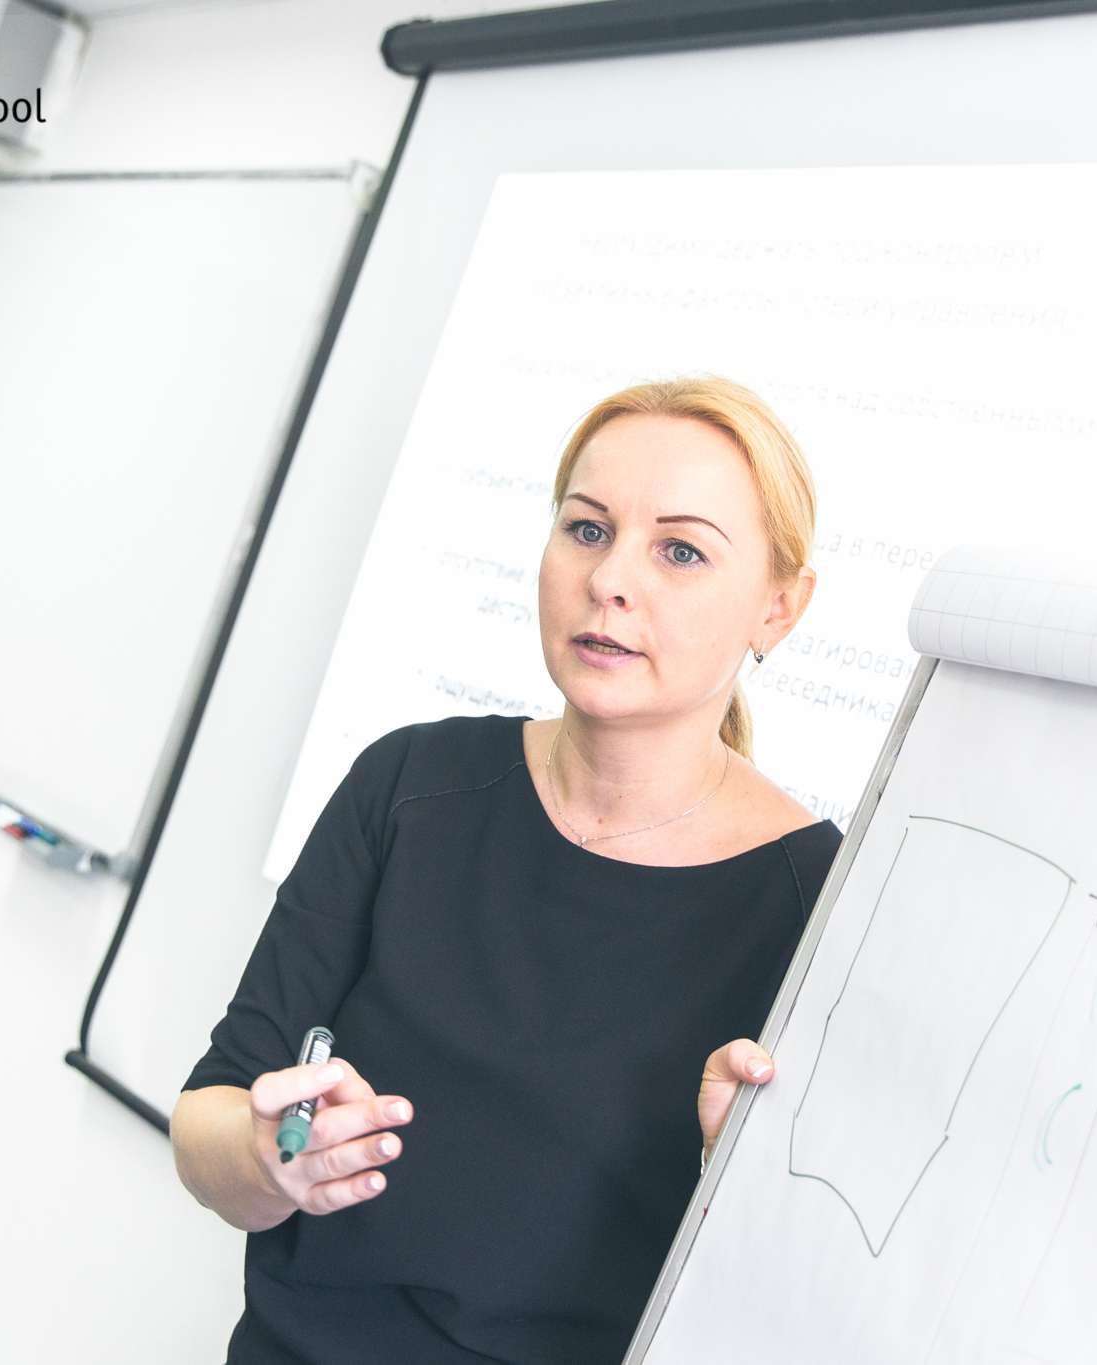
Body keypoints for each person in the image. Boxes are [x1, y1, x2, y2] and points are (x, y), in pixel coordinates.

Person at [170, 375, 844, 1364]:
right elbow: (211, 1117)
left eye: (680, 550)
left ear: (779, 610)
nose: (610, 579)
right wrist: (271, 1160)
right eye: (586, 529)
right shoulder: (409, 783)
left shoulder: (818, 899)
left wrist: (727, 1170)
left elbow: (810, 1289)